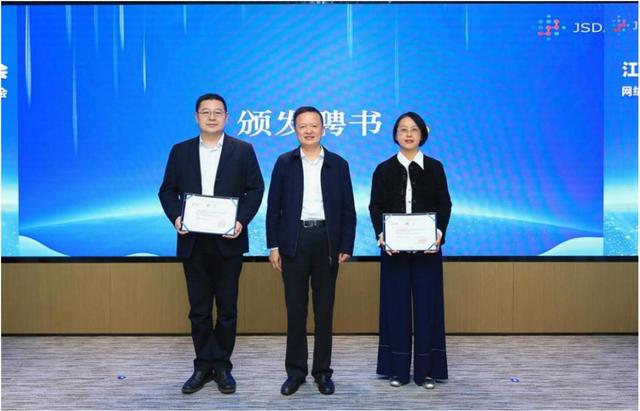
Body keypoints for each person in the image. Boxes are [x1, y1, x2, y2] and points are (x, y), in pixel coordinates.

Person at [158, 93, 264, 395]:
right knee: (199, 310)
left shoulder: (243, 150)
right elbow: (167, 191)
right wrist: (177, 217)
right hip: (193, 241)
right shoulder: (180, 151)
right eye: (206, 112)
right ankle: (203, 365)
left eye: (218, 112)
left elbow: (255, 189)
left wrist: (240, 220)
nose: (212, 117)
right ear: (196, 117)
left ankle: (222, 365)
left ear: (227, 117)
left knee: (227, 309)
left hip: (229, 241)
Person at [266, 106, 356, 396]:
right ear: (295, 130)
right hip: (294, 241)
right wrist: (274, 245)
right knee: (295, 311)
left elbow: (348, 210)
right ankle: (295, 373)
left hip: (327, 242)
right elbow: (273, 208)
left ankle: (322, 372)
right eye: (302, 126)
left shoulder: (338, 164)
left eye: (314, 125)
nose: (308, 130)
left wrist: (345, 244)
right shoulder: (284, 162)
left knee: (324, 311)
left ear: (323, 129)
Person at [368, 112, 452, 389]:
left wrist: (438, 233)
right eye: (403, 129)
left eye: (414, 129)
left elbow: (445, 204)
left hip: (428, 252)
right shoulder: (383, 169)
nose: (408, 134)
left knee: (428, 308)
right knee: (395, 308)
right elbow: (375, 206)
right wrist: (382, 234)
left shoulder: (435, 167)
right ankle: (397, 369)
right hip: (394, 252)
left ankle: (427, 371)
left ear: (422, 135)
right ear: (395, 135)